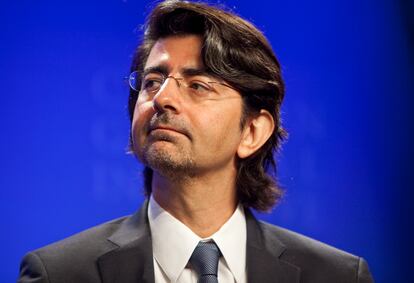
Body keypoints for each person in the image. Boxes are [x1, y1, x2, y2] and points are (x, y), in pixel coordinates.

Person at [17, 1, 374, 282]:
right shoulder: (58, 274)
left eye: (198, 85)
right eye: (153, 81)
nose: (162, 99)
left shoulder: (337, 276)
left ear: (252, 131)